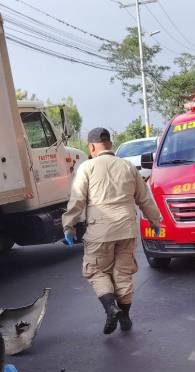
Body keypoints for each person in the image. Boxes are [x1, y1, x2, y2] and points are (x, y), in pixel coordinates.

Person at [62, 127, 162, 334]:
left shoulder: (87, 168)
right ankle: (125, 316)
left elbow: (77, 200)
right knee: (122, 273)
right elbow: (144, 198)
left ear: (91, 146)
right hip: (126, 229)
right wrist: (155, 222)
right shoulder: (127, 166)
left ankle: (110, 308)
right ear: (110, 143)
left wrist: (68, 226)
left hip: (100, 231)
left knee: (97, 271)